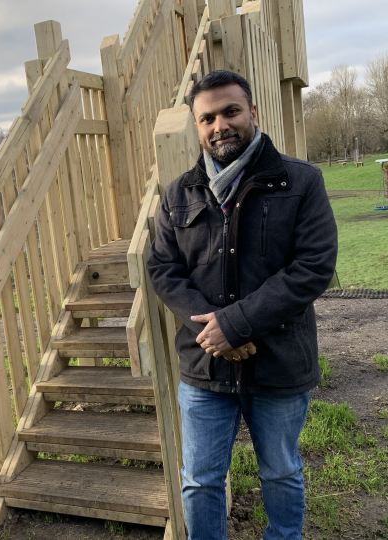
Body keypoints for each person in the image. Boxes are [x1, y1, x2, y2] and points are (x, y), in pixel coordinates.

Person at [147, 70, 338, 540]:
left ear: (253, 112)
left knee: (280, 472)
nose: (219, 125)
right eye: (206, 118)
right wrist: (215, 334)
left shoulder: (300, 181)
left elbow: (314, 266)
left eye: (230, 111)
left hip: (278, 361)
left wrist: (236, 324)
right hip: (205, 366)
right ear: (197, 126)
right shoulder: (177, 195)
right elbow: (162, 269)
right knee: (201, 481)